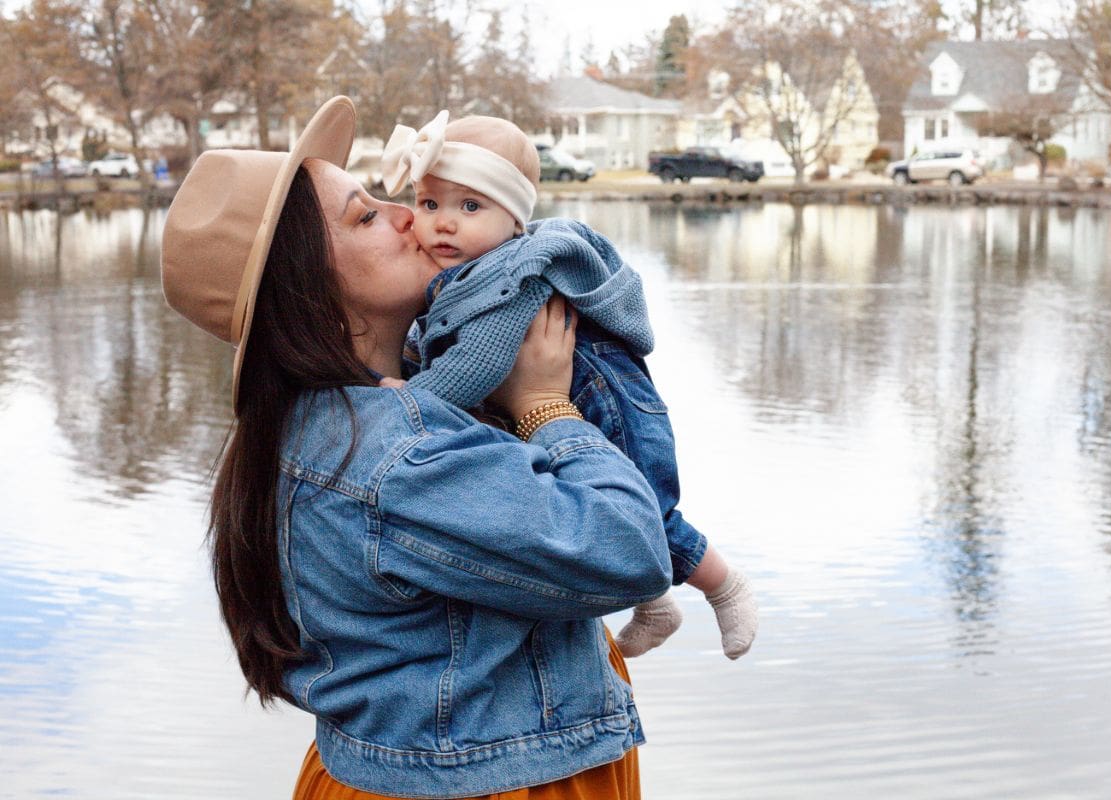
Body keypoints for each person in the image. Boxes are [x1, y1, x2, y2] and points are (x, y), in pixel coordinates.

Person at [160, 95, 673, 799]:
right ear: (307, 285)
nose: (410, 214)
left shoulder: (339, 414)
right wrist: (546, 407)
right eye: (367, 215)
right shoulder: (395, 454)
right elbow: (630, 551)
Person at [379, 111, 758, 659]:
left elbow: (479, 367)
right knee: (599, 508)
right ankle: (654, 603)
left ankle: (726, 587)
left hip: (604, 396)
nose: (443, 223)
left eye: (470, 206)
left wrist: (411, 402)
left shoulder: (516, 273)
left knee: (648, 510)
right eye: (429, 203)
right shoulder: (466, 271)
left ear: (513, 220)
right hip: (564, 400)